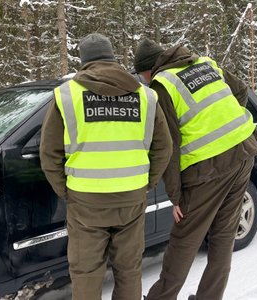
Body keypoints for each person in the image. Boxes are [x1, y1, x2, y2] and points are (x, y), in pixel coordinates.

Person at [40, 33, 172, 300]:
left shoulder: (67, 96)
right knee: (128, 269)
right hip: (131, 197)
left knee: (86, 272)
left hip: (86, 201)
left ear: (84, 61)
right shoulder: (145, 97)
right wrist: (147, 183)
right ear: (112, 57)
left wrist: (65, 191)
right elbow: (164, 147)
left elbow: (49, 153)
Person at [134, 39, 257, 300]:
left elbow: (169, 146)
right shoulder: (204, 63)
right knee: (223, 238)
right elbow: (240, 90)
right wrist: (225, 120)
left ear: (148, 70)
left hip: (209, 170)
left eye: (141, 75)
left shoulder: (163, 85)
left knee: (184, 242)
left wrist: (176, 196)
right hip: (243, 153)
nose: (143, 80)